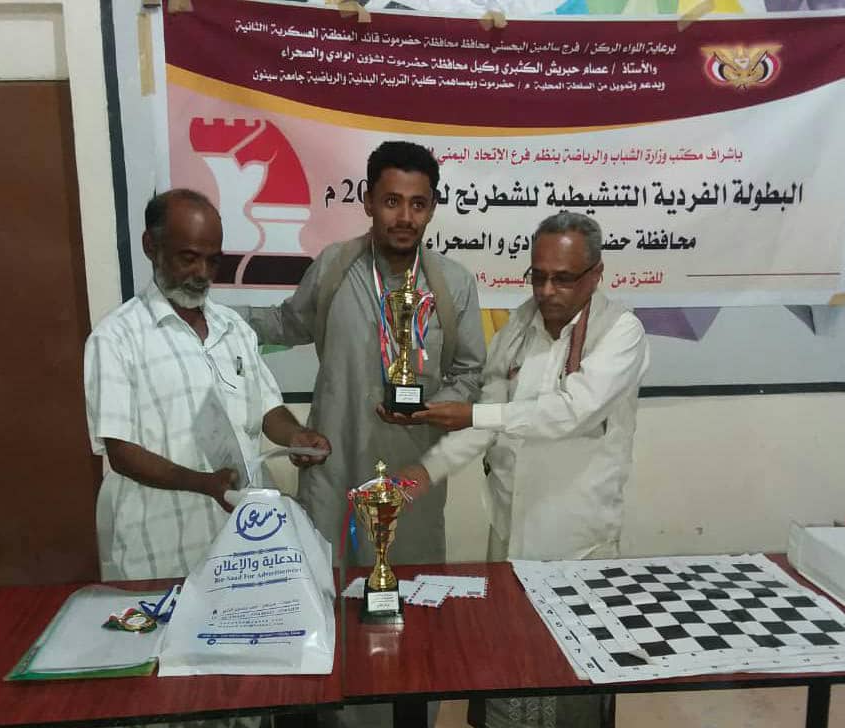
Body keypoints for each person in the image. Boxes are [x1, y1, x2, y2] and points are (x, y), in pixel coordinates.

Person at [400, 211, 649, 728]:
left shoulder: (620, 331)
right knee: (508, 672)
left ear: (596, 275)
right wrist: (422, 473)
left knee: (573, 680)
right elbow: (487, 422)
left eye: (563, 278)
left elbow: (569, 412)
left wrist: (476, 415)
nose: (547, 291)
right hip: (509, 529)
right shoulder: (517, 327)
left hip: (576, 542)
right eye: (538, 275)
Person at [242, 140, 486, 567]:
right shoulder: (334, 266)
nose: (405, 217)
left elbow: (470, 373)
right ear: (369, 201)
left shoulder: (454, 284)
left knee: (408, 585)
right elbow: (287, 324)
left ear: (432, 208)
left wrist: (431, 410)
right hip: (333, 463)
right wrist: (213, 317)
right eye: (392, 201)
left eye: (418, 204)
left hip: (409, 474)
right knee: (326, 581)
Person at [84, 188, 330, 582]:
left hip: (243, 548)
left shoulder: (234, 328)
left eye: (212, 261)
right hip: (163, 548)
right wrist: (203, 484)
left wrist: (297, 436)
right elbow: (121, 452)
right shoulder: (116, 338)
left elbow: (268, 409)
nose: (202, 273)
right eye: (188, 257)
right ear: (151, 247)